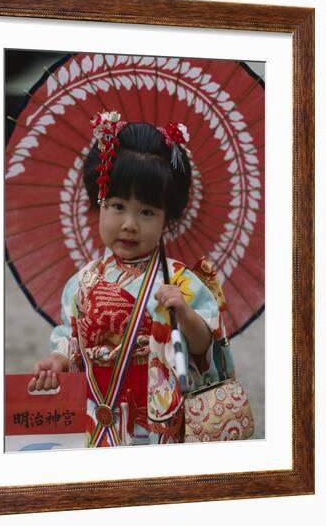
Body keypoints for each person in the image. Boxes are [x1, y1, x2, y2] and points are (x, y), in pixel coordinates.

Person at [28, 111, 231, 447]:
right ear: (99, 203)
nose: (130, 224)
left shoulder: (181, 281)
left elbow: (206, 354)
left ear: (167, 219)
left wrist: (185, 314)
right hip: (100, 407)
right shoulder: (82, 281)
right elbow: (71, 335)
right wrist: (58, 360)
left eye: (147, 212)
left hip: (157, 416)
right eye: (118, 205)